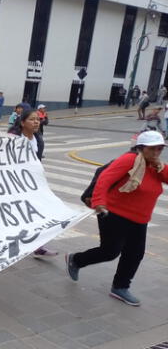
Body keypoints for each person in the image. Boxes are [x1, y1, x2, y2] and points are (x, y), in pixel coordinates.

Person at [66, 131, 168, 306]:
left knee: (135, 254)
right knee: (110, 252)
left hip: (140, 218)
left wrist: (161, 167)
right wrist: (99, 202)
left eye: (160, 148)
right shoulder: (130, 160)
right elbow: (104, 179)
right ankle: (76, 260)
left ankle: (120, 287)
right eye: (153, 148)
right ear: (142, 148)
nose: (157, 152)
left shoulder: (155, 166)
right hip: (114, 213)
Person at [8, 109, 57, 258]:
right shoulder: (12, 137)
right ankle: (12, 245)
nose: (36, 122)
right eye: (32, 119)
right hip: (12, 183)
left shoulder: (38, 139)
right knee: (14, 215)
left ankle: (38, 245)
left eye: (37, 119)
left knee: (36, 213)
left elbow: (37, 161)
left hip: (30, 184)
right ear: (22, 122)